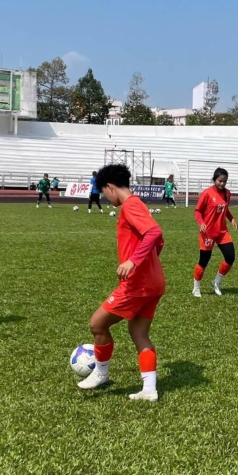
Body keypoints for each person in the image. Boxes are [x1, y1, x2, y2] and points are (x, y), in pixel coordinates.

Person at [77, 164, 166, 398]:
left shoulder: (130, 205)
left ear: (110, 187)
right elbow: (159, 242)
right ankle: (149, 390)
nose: (106, 197)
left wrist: (133, 262)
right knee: (139, 333)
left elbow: (154, 233)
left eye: (104, 192)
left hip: (137, 284)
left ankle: (101, 373)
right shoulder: (138, 204)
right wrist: (148, 263)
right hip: (154, 282)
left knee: (97, 324)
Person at [193, 167, 238, 297]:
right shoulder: (206, 193)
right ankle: (196, 288)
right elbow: (197, 211)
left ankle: (216, 282)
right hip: (208, 232)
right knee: (204, 261)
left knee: (230, 257)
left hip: (222, 231)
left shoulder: (227, 193)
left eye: (224, 181)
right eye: (220, 181)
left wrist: (231, 219)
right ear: (214, 179)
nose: (222, 183)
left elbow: (225, 209)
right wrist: (201, 223)